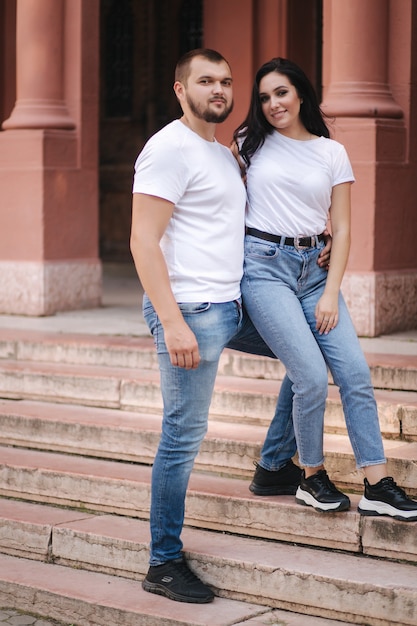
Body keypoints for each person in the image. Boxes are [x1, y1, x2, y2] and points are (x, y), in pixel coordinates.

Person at [130, 49, 332, 604]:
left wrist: (320, 239)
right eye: (205, 81)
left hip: (233, 305)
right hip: (191, 313)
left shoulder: (222, 152)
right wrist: (171, 323)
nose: (218, 90)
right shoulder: (168, 150)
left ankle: (272, 464)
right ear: (180, 89)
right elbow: (142, 240)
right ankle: (163, 561)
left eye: (225, 81)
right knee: (181, 438)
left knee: (311, 354)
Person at [233, 57, 417, 521]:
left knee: (354, 373)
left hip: (316, 272)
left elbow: (345, 228)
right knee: (310, 374)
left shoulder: (330, 151)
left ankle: (377, 484)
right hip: (264, 268)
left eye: (281, 93)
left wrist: (332, 291)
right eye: (264, 97)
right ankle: (310, 477)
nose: (273, 103)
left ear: (300, 95)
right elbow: (217, 202)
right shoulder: (247, 144)